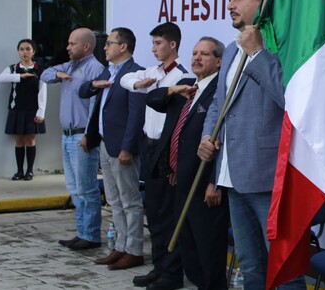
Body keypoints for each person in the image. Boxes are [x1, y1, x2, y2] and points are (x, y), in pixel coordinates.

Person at [197, 0, 306, 290]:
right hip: (232, 175)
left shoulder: (282, 45)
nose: (231, 4)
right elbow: (218, 102)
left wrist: (257, 53)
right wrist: (207, 135)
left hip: (268, 176)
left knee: (282, 268)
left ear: (264, 1)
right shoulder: (230, 49)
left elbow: (291, 100)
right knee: (250, 265)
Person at [147, 37, 228, 290]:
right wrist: (173, 90)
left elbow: (223, 141)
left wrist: (215, 182)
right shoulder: (186, 86)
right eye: (194, 53)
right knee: (190, 252)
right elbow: (152, 99)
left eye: (204, 54)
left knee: (208, 254)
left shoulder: (220, 91)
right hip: (181, 180)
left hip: (204, 188)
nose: (197, 58)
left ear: (219, 62)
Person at [121, 22, 189, 289]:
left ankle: (172, 272)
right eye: (152, 43)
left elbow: (165, 106)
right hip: (148, 144)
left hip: (166, 147)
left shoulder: (182, 76)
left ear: (172, 45)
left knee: (167, 213)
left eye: (158, 43)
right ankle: (158, 266)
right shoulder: (153, 72)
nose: (154, 49)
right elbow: (125, 80)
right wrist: (140, 82)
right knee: (154, 212)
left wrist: (158, 89)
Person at [80, 27, 146, 270]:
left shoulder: (134, 72)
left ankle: (134, 250)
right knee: (114, 200)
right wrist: (94, 85)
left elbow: (136, 115)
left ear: (123, 47)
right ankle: (120, 246)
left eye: (109, 43)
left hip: (122, 148)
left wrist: (127, 147)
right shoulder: (109, 71)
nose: (105, 47)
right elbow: (84, 91)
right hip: (106, 145)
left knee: (130, 200)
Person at [41, 28, 104, 251]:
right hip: (67, 136)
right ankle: (82, 232)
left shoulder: (95, 69)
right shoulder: (68, 66)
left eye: (72, 44)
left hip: (81, 135)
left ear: (86, 46)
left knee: (86, 188)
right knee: (74, 187)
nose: (67, 48)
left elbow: (96, 107)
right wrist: (57, 75)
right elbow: (45, 74)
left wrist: (89, 134)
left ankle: (91, 235)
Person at [0, 38, 47, 181]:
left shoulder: (39, 70)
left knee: (30, 140)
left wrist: (41, 112)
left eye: (28, 49)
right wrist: (21, 76)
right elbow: (0, 78)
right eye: (21, 49)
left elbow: (43, 92)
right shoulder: (13, 69)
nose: (24, 52)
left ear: (33, 51)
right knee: (19, 141)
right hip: (16, 109)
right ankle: (19, 171)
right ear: (18, 52)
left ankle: (30, 171)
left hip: (33, 110)